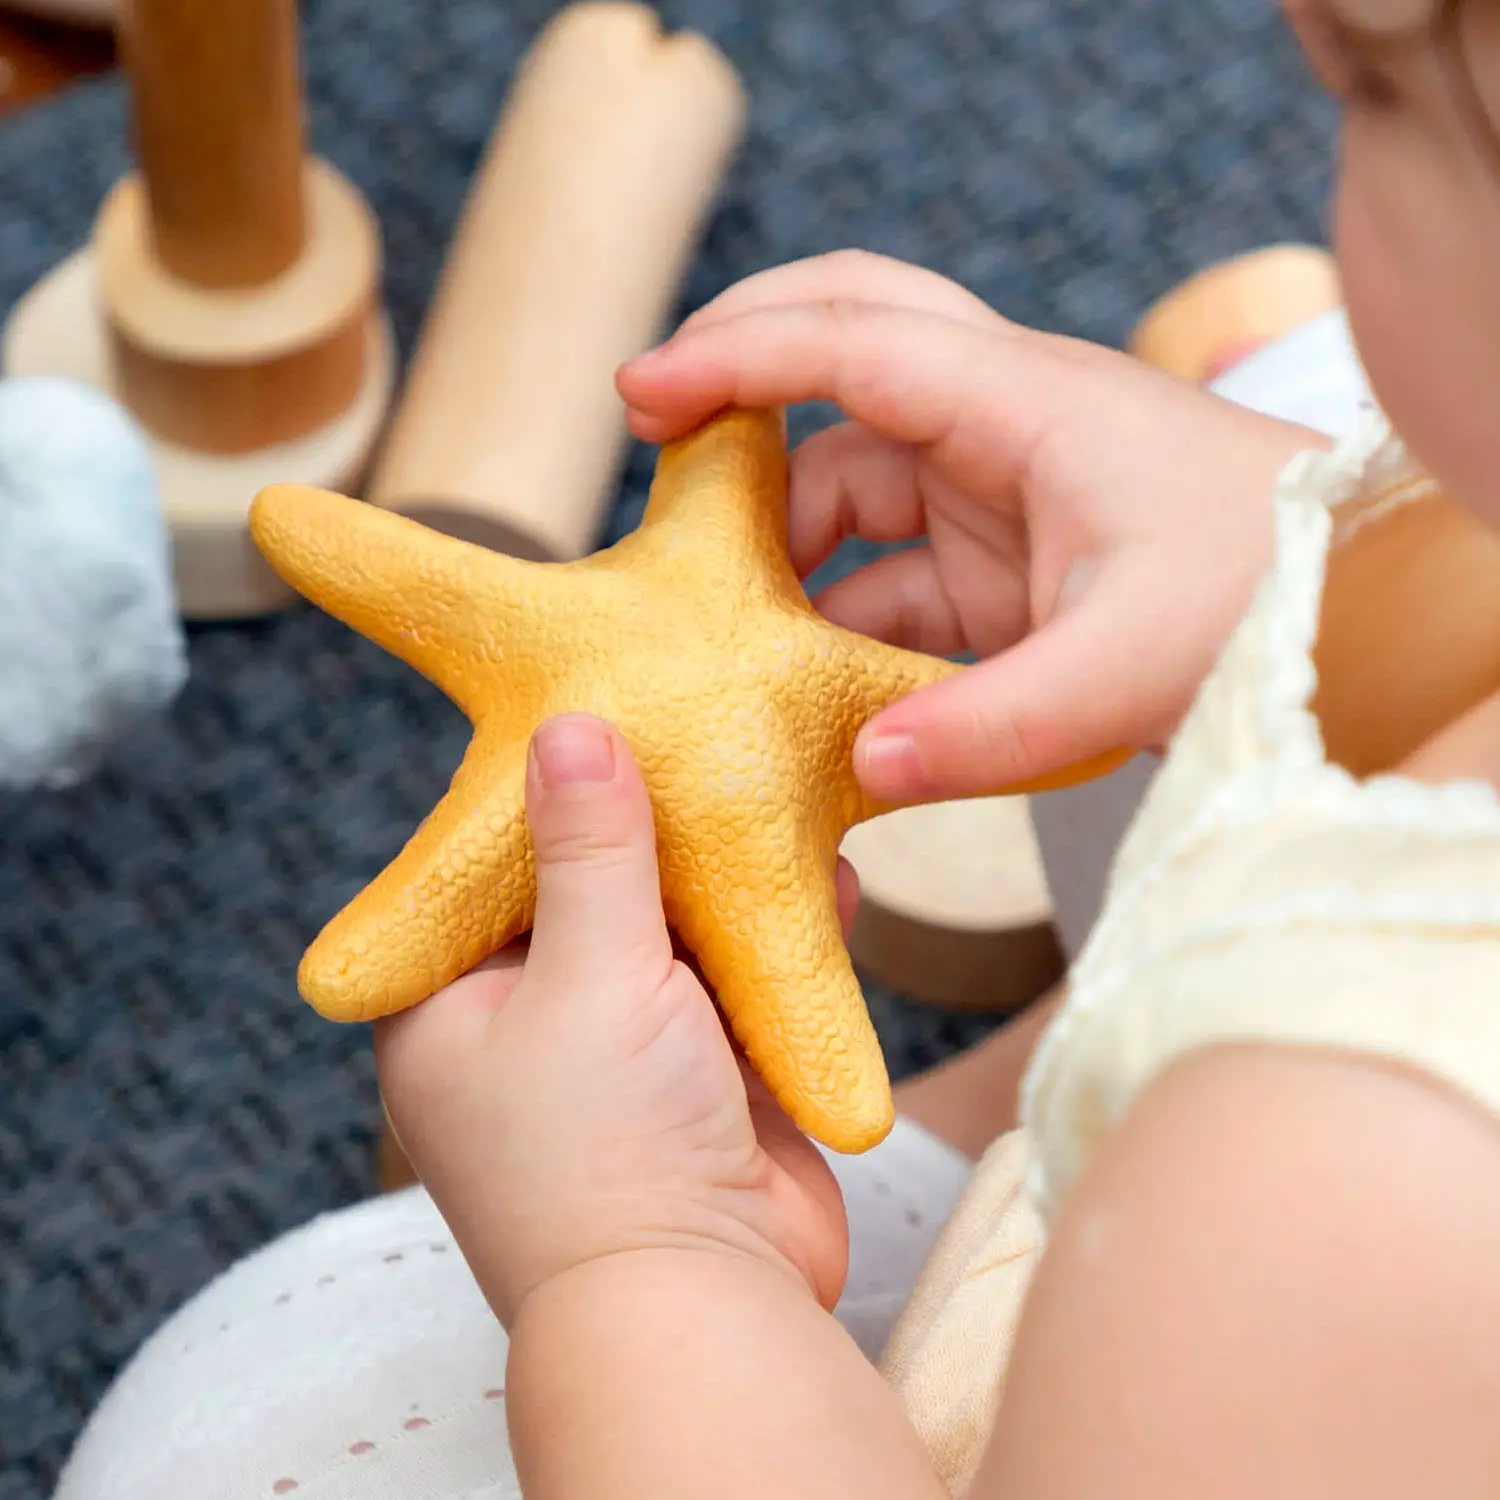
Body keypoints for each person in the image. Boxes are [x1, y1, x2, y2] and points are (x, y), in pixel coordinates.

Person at [52, 0, 1500, 1495]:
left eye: (1369, 97)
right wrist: (1286, 537)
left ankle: (997, 1118)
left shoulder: (1331, 1206)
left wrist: (641, 1254)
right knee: (1298, 448)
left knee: (225, 1438)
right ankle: (1043, 1057)